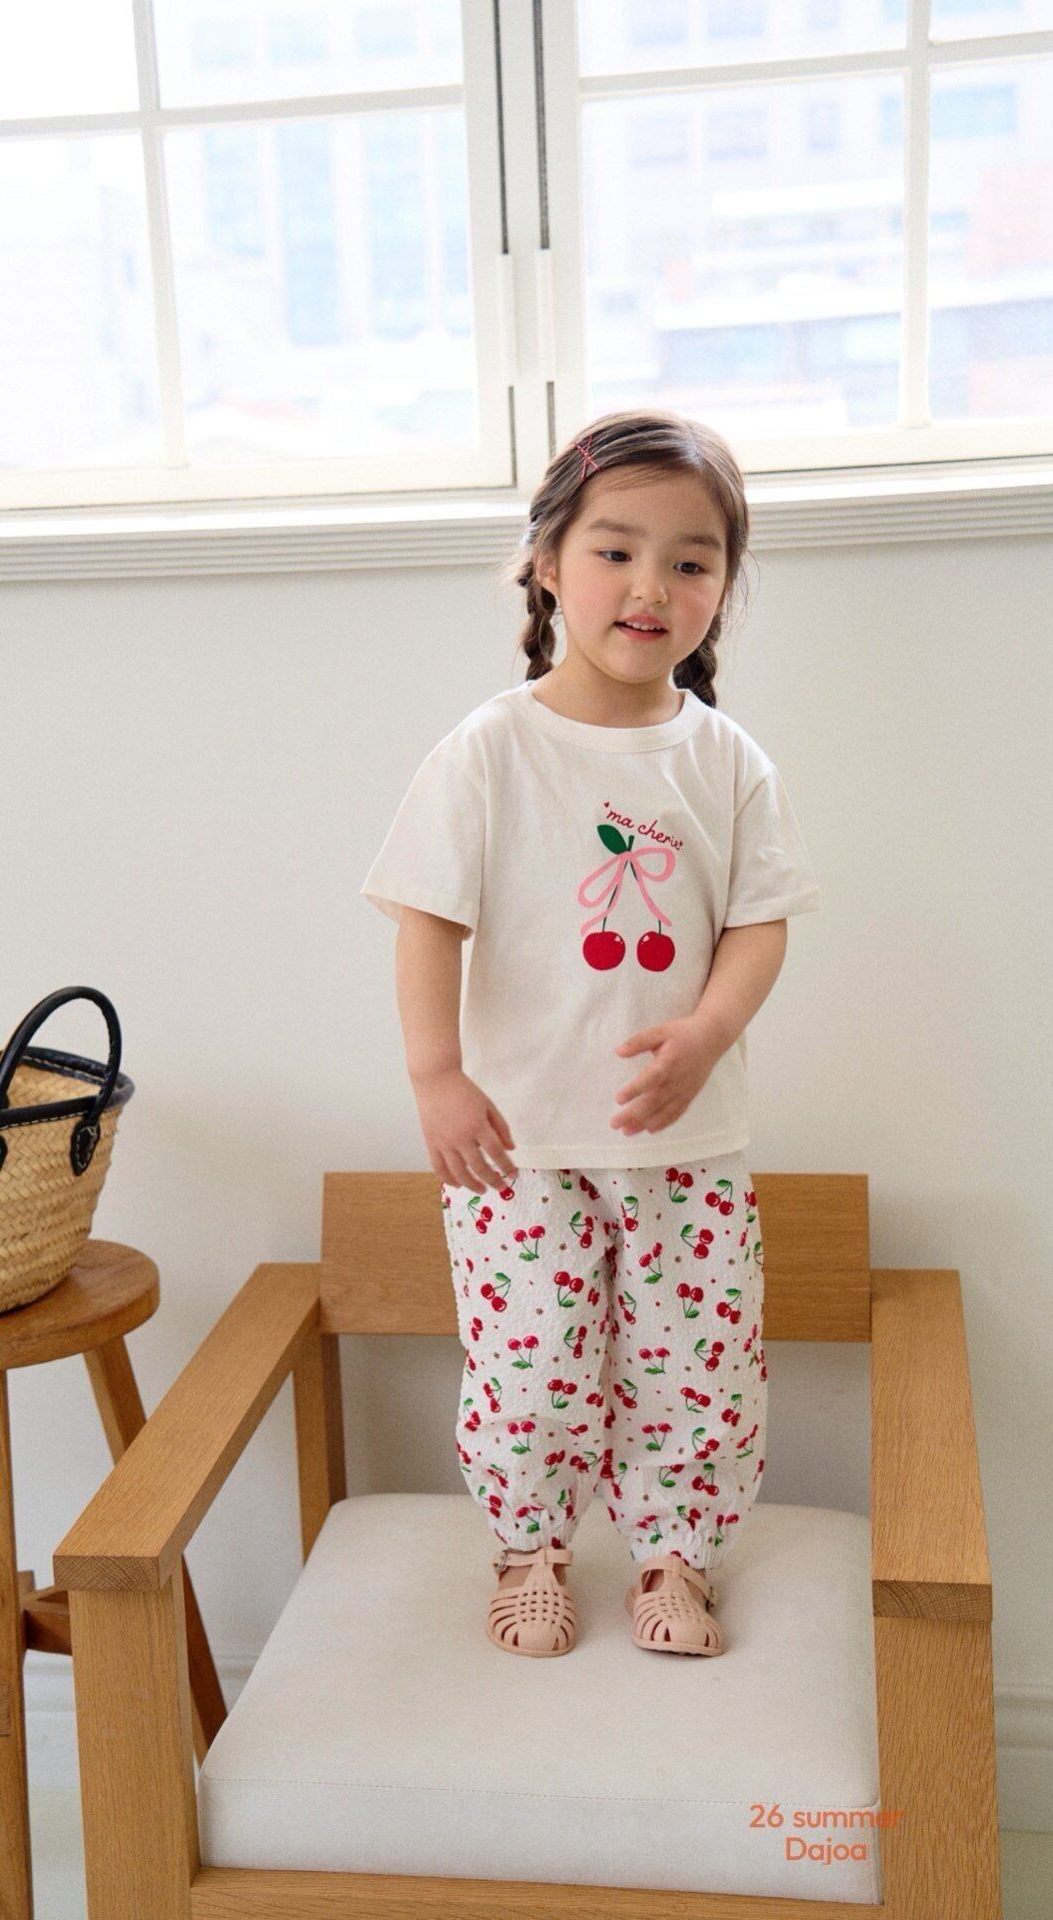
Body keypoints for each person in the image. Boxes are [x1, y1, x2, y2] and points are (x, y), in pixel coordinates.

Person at [360, 408, 822, 1661]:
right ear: (546, 562)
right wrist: (435, 1076)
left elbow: (759, 923)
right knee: (529, 1369)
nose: (649, 586)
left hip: (687, 1145)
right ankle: (529, 1549)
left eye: (689, 561)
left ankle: (675, 1557)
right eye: (615, 550)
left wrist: (707, 1030)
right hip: (516, 1148)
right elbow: (424, 920)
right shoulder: (489, 751)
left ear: (721, 588)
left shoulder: (724, 760)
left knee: (695, 1364)